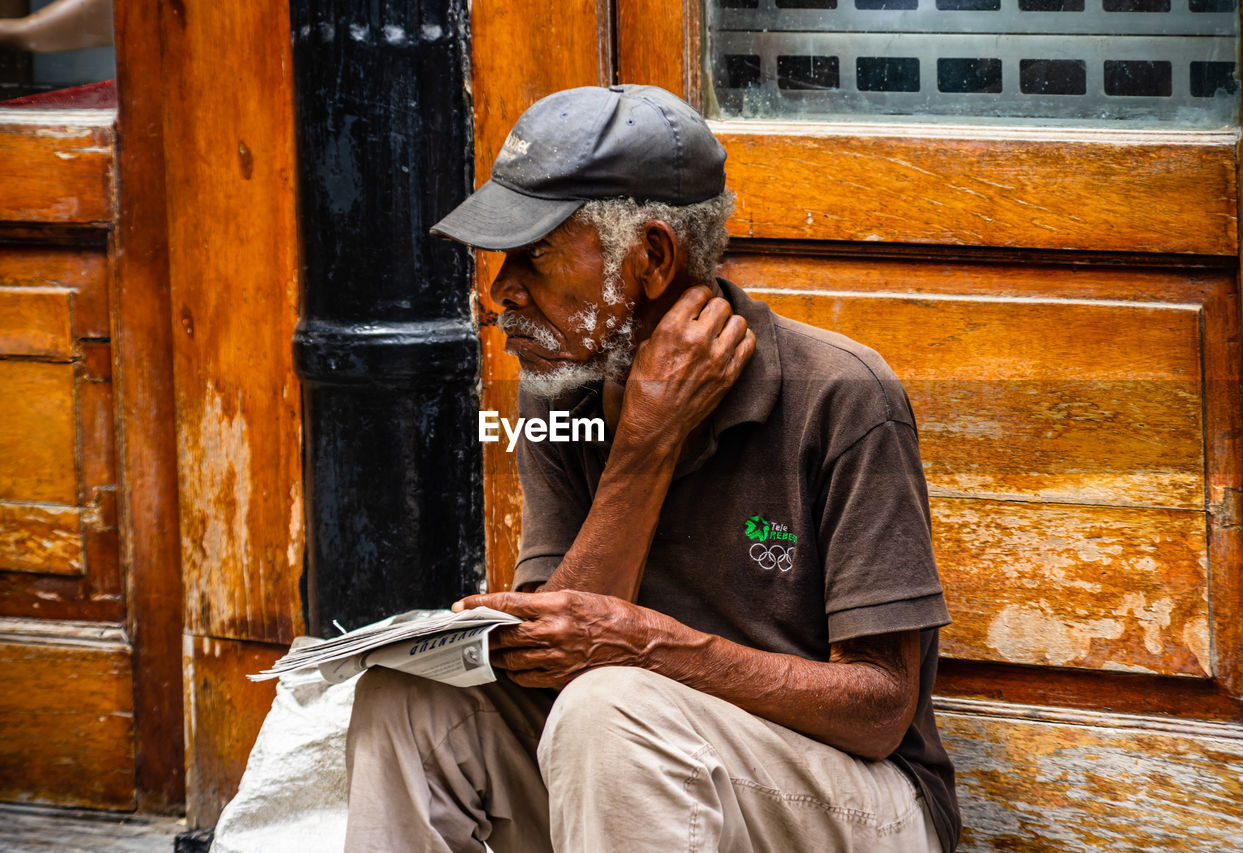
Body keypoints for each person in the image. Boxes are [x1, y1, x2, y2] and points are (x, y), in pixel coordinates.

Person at [343, 84, 960, 853]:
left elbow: (881, 708)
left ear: (654, 256)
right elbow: (557, 659)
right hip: (634, 770)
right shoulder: (561, 392)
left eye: (534, 253)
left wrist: (651, 648)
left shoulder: (840, 391)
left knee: (611, 706)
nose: (500, 291)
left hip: (857, 804)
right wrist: (646, 440)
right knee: (405, 702)